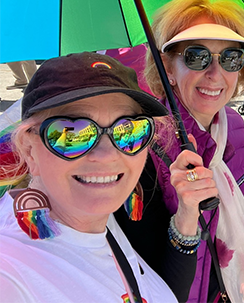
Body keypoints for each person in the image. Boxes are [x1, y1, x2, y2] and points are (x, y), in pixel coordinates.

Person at [121, 0, 244, 303]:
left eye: (231, 58)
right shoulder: (141, 143)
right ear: (168, 69)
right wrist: (186, 217)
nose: (215, 74)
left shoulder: (234, 127)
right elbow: (137, 264)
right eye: (197, 56)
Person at [0, 52, 178, 302]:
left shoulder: (101, 223)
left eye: (129, 130)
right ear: (29, 149)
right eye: (71, 134)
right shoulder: (10, 270)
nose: (107, 155)